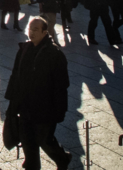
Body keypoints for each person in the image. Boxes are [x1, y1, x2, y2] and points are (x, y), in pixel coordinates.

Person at [4, 17, 73, 170]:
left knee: (44, 140)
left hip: (45, 107)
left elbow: (61, 85)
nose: (32, 32)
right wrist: (12, 103)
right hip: (25, 104)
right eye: (30, 29)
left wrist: (59, 110)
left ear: (45, 32)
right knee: (27, 140)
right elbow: (15, 76)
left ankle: (63, 158)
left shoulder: (54, 54)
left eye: (36, 30)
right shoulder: (24, 50)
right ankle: (31, 166)